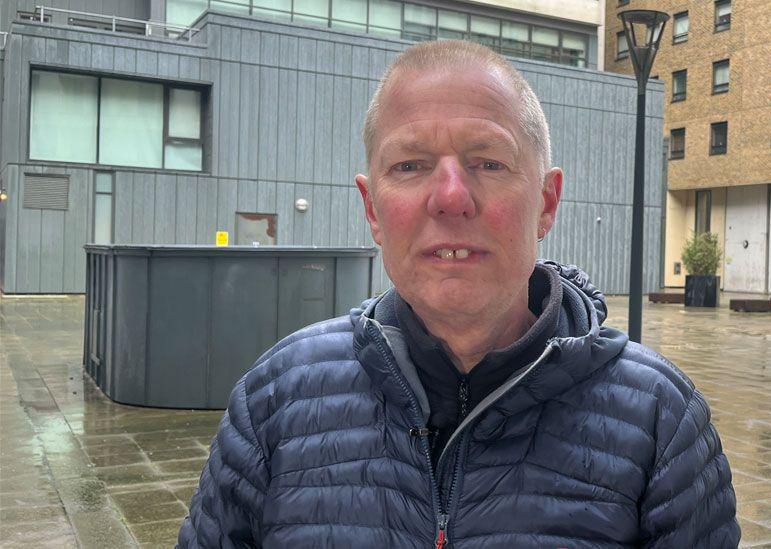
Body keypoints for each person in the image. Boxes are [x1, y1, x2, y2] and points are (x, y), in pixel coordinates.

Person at [178, 40, 739, 548]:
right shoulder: (275, 399)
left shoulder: (662, 422)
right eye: (411, 165)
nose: (450, 197)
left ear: (546, 202)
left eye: (488, 163)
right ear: (372, 209)